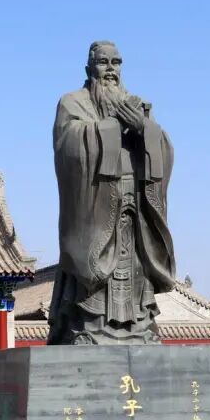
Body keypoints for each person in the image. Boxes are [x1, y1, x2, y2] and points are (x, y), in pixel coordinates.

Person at [48, 40, 178, 345]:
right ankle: (89, 326)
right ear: (89, 68)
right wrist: (110, 128)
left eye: (116, 63)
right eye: (103, 62)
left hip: (134, 200)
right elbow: (68, 145)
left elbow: (164, 148)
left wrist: (144, 128)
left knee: (134, 262)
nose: (110, 69)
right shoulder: (72, 102)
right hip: (95, 204)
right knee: (96, 263)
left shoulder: (135, 103)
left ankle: (139, 326)